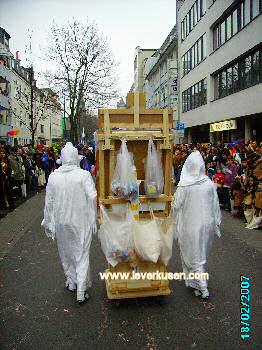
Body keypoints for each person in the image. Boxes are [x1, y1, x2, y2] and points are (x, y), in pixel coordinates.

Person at [41, 142, 97, 304]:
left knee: (66, 252)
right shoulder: (83, 175)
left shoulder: (53, 176)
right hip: (80, 222)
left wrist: (48, 221)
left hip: (61, 222)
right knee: (81, 254)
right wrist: (92, 216)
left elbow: (49, 202)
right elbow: (92, 196)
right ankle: (80, 289)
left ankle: (72, 281)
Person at [173, 151, 221, 299]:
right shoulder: (208, 183)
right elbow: (215, 205)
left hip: (191, 225)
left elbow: (176, 205)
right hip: (207, 225)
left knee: (194, 256)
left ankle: (202, 287)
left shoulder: (185, 186)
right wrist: (217, 223)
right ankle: (194, 283)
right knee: (200, 254)